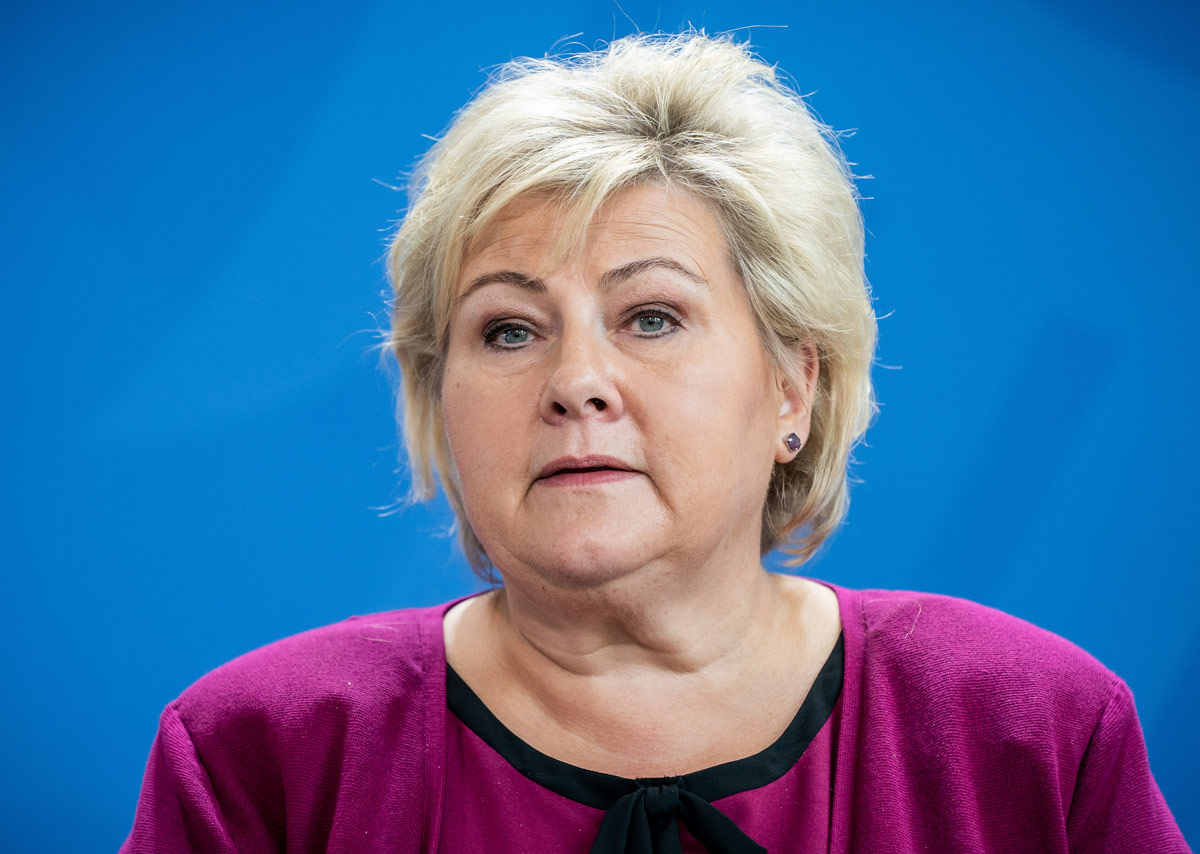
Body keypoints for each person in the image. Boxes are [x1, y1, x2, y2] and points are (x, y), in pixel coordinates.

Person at [120, 33, 1189, 853]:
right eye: (508, 329)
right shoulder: (258, 753)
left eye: (652, 317)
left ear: (792, 384)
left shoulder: (1032, 729)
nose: (577, 382)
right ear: (437, 395)